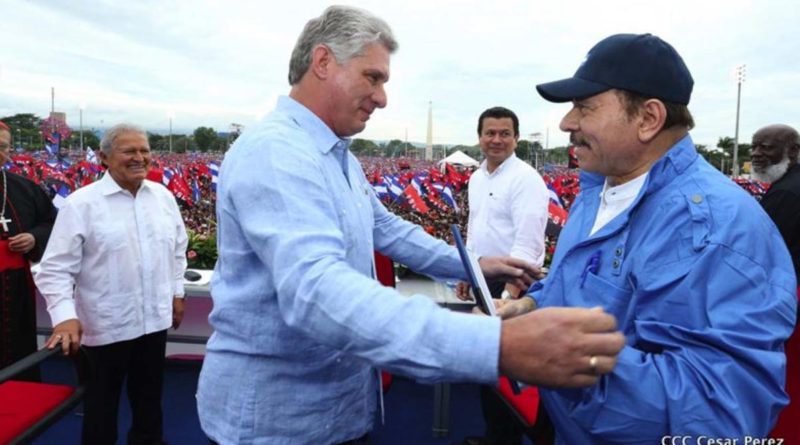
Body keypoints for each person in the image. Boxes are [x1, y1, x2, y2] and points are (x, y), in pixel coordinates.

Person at [196, 6, 625, 444]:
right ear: (323, 62)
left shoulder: (335, 155)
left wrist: (474, 265)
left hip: (333, 409)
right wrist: (497, 346)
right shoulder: (277, 153)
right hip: (278, 423)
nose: (382, 97)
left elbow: (387, 229)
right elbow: (315, 291)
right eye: (373, 77)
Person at [496, 33, 797, 443]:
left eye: (584, 107)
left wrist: (552, 358)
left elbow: (716, 414)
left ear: (648, 119)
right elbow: (578, 281)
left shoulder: (711, 229)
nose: (567, 123)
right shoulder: (599, 187)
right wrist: (530, 306)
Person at [34, 123, 188, 445]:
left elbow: (177, 250)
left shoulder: (163, 198)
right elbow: (54, 268)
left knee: (149, 402)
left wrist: (177, 293)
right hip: (105, 326)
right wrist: (64, 316)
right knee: (101, 406)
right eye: (129, 151)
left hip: (154, 321)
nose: (140, 158)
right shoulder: (81, 204)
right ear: (104, 157)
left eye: (144, 150)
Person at [458, 107, 549, 445]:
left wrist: (508, 297)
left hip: (512, 286)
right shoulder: (477, 177)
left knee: (509, 372)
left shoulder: (526, 180)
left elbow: (528, 246)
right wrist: (467, 270)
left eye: (504, 133)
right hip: (485, 279)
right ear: (479, 136)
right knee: (488, 366)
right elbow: (474, 230)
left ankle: (506, 440)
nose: (496, 140)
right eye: (490, 133)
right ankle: (493, 436)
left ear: (516, 138)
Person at [750, 124, 800, 443]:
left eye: (766, 147)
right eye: (755, 146)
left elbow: (765, 257)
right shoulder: (788, 185)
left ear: (793, 152)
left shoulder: (786, 192)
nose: (756, 153)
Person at [0, 120, 57, 381]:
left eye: (3, 147)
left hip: (15, 290)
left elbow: (51, 221)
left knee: (17, 348)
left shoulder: (25, 187)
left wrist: (34, 238)